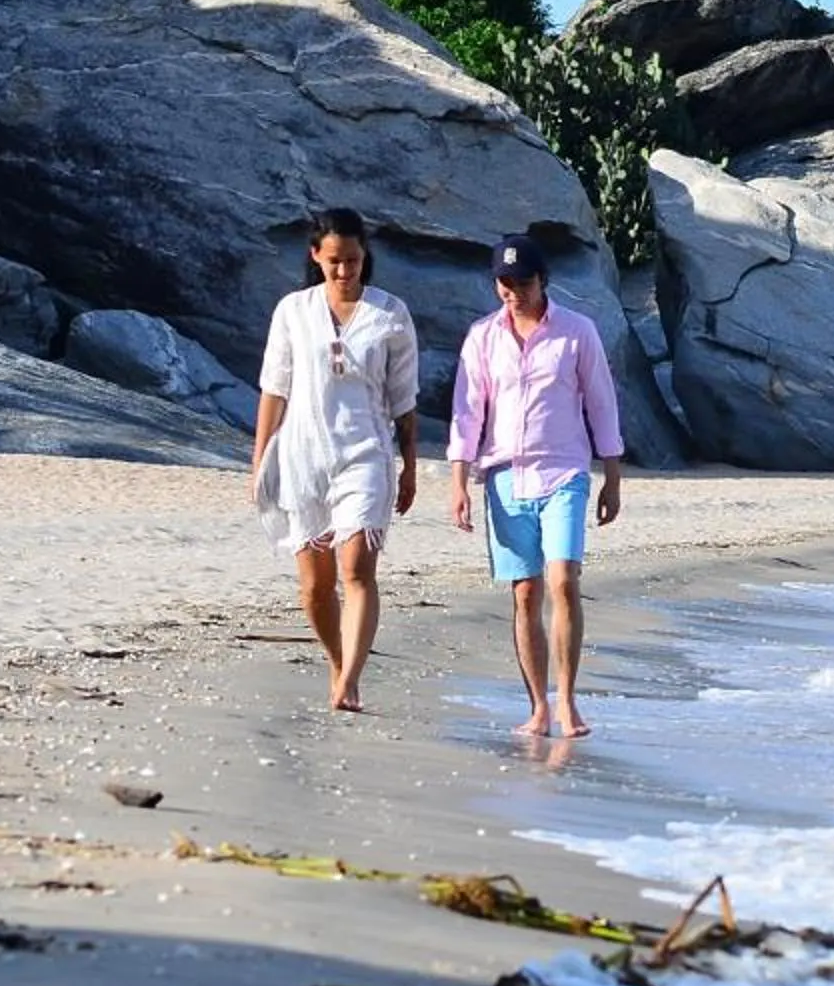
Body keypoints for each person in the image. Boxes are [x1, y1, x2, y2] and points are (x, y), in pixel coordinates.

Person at [447, 233, 624, 738]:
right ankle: (538, 708)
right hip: (504, 476)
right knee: (525, 592)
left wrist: (612, 477)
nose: (513, 293)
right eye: (504, 284)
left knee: (563, 580)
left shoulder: (578, 332)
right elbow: (467, 411)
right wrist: (459, 482)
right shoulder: (482, 336)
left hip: (565, 471)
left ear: (543, 280)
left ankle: (567, 701)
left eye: (522, 283)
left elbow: (601, 403)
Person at [250, 208, 420, 713]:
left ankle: (349, 680)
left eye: (353, 260)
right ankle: (337, 659)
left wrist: (410, 465)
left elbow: (404, 399)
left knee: (357, 568)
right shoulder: (293, 311)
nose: (344, 271)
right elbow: (274, 390)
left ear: (365, 256)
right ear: (316, 258)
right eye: (334, 262)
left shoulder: (390, 315)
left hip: (366, 453)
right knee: (314, 587)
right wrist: (259, 461)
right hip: (302, 456)